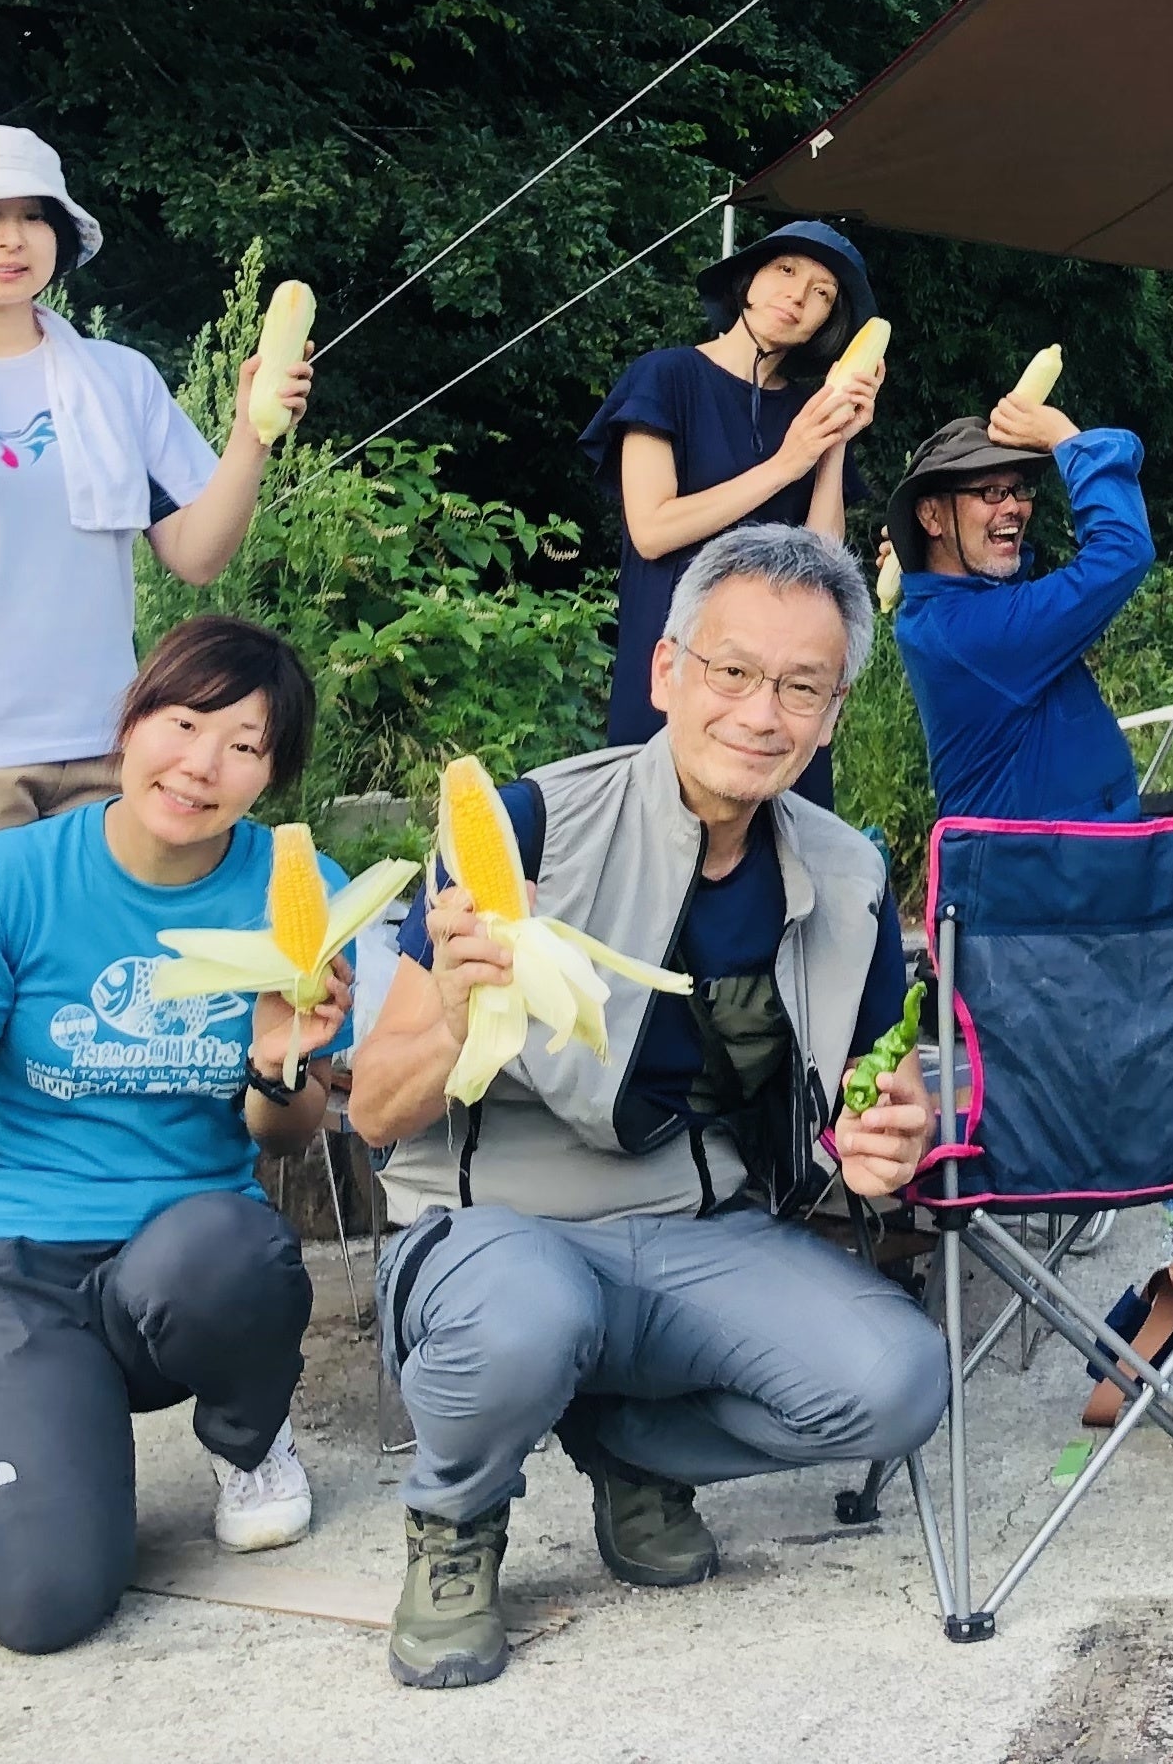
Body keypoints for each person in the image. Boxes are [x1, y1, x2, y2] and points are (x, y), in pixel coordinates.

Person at [347, 522, 944, 1690]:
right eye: (733, 670)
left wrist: (889, 1146)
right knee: (526, 1316)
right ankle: (457, 1519)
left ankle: (625, 1445)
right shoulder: (527, 827)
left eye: (801, 687)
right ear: (668, 671)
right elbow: (374, 1106)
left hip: (693, 1235)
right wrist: (458, 1015)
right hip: (495, 1236)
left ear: (831, 715)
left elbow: (879, 1098)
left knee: (898, 1380)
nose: (761, 713)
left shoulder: (846, 876)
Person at [0, 121, 311, 1362]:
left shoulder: (118, 382)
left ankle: (118, 1288)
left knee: (107, 1036)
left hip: (110, 760)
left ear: (60, 242)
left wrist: (252, 430)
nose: (9, 238)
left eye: (32, 217)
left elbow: (196, 553)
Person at [0, 618, 348, 1655]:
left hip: (187, 1265)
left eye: (243, 744)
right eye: (182, 723)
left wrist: (278, 1062)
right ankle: (4, 1472)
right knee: (39, 1602)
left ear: (272, 774)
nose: (201, 764)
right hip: (10, 1256)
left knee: (235, 1250)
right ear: (130, 725)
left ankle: (249, 1441)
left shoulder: (294, 890)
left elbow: (285, 1138)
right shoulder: (17, 874)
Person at [582, 218, 883, 799]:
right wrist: (786, 463)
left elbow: (824, 561)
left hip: (780, 683)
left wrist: (834, 441)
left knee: (783, 841)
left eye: (822, 293)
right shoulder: (666, 377)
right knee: (657, 831)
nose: (798, 295)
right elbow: (652, 529)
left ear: (828, 322)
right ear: (749, 280)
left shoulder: (807, 411)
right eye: (785, 270)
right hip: (679, 666)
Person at [888, 364, 1155, 823]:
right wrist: (1066, 438)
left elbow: (1001, 576)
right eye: (990, 491)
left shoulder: (949, 608)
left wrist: (924, 547)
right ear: (931, 517)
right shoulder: (979, 632)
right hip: (1039, 861)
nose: (1013, 505)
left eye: (1019, 488)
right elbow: (1124, 549)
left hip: (1067, 853)